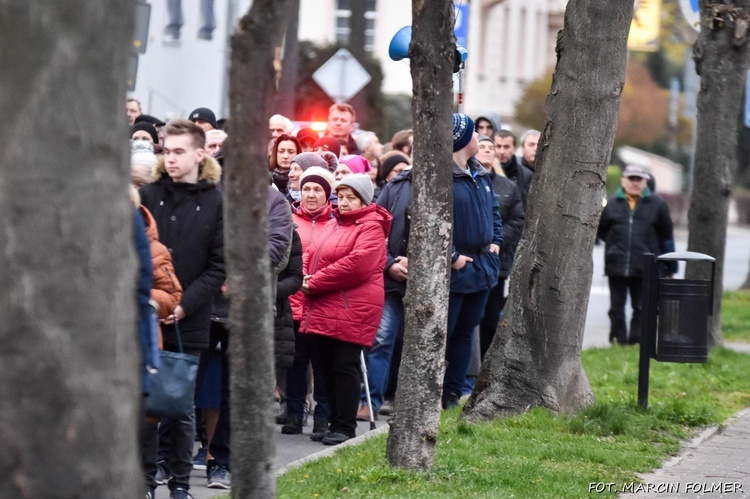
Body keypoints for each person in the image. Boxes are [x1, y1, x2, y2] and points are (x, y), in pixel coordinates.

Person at [139, 119, 225, 499]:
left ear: (199, 153)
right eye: (165, 150)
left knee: (179, 404)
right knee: (144, 405)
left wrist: (185, 306)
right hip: (146, 316)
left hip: (189, 319)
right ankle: (142, 482)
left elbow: (219, 266)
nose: (170, 158)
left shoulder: (216, 200)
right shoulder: (149, 194)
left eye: (178, 151)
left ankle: (178, 484)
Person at [300, 173, 392, 445]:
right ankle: (333, 421)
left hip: (351, 306)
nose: (345, 202)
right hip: (324, 303)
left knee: (344, 366)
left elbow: (358, 265)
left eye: (351, 198)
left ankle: (345, 426)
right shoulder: (335, 224)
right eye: (341, 197)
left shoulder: (371, 227)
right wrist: (306, 275)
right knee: (325, 367)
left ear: (364, 199)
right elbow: (311, 252)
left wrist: (314, 281)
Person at [442, 114, 502, 410]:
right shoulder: (445, 176)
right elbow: (433, 221)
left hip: (482, 267)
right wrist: (452, 258)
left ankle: (453, 393)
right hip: (458, 268)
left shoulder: (482, 175)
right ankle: (435, 392)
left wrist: (496, 244)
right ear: (464, 139)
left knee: (466, 332)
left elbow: (495, 214)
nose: (480, 137)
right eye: (475, 133)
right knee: (446, 332)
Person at [282, 167, 338, 439]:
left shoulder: (337, 222)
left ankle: (323, 416)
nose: (311, 194)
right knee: (295, 362)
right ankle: (294, 413)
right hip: (293, 301)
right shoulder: (289, 219)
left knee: (322, 363)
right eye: (306, 189)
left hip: (322, 303)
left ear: (327, 193)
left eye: (317, 189)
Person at [357, 159, 412, 421]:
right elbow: (374, 230)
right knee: (382, 338)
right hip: (391, 281)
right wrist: (390, 264)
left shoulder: (450, 186)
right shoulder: (396, 187)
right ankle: (370, 399)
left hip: (428, 279)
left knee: (412, 343)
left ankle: (400, 397)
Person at [597, 165, 677, 345]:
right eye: (631, 178)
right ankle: (618, 340)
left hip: (645, 265)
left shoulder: (658, 204)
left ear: (645, 182)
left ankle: (637, 341)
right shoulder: (612, 204)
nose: (634, 182)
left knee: (641, 307)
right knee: (616, 308)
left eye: (638, 179)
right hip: (616, 264)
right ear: (623, 181)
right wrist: (614, 246)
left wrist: (670, 266)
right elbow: (602, 231)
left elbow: (666, 236)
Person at [475, 136, 524, 359]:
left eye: (490, 147)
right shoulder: (463, 180)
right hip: (468, 260)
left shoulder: (508, 186)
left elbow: (517, 219)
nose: (486, 150)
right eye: (481, 147)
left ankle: (486, 364)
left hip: (497, 261)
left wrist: (497, 241)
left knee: (491, 317)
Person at [495, 129, 533, 210]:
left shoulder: (526, 175)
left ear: (514, 149)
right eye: (498, 146)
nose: (502, 151)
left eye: (506, 147)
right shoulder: (485, 172)